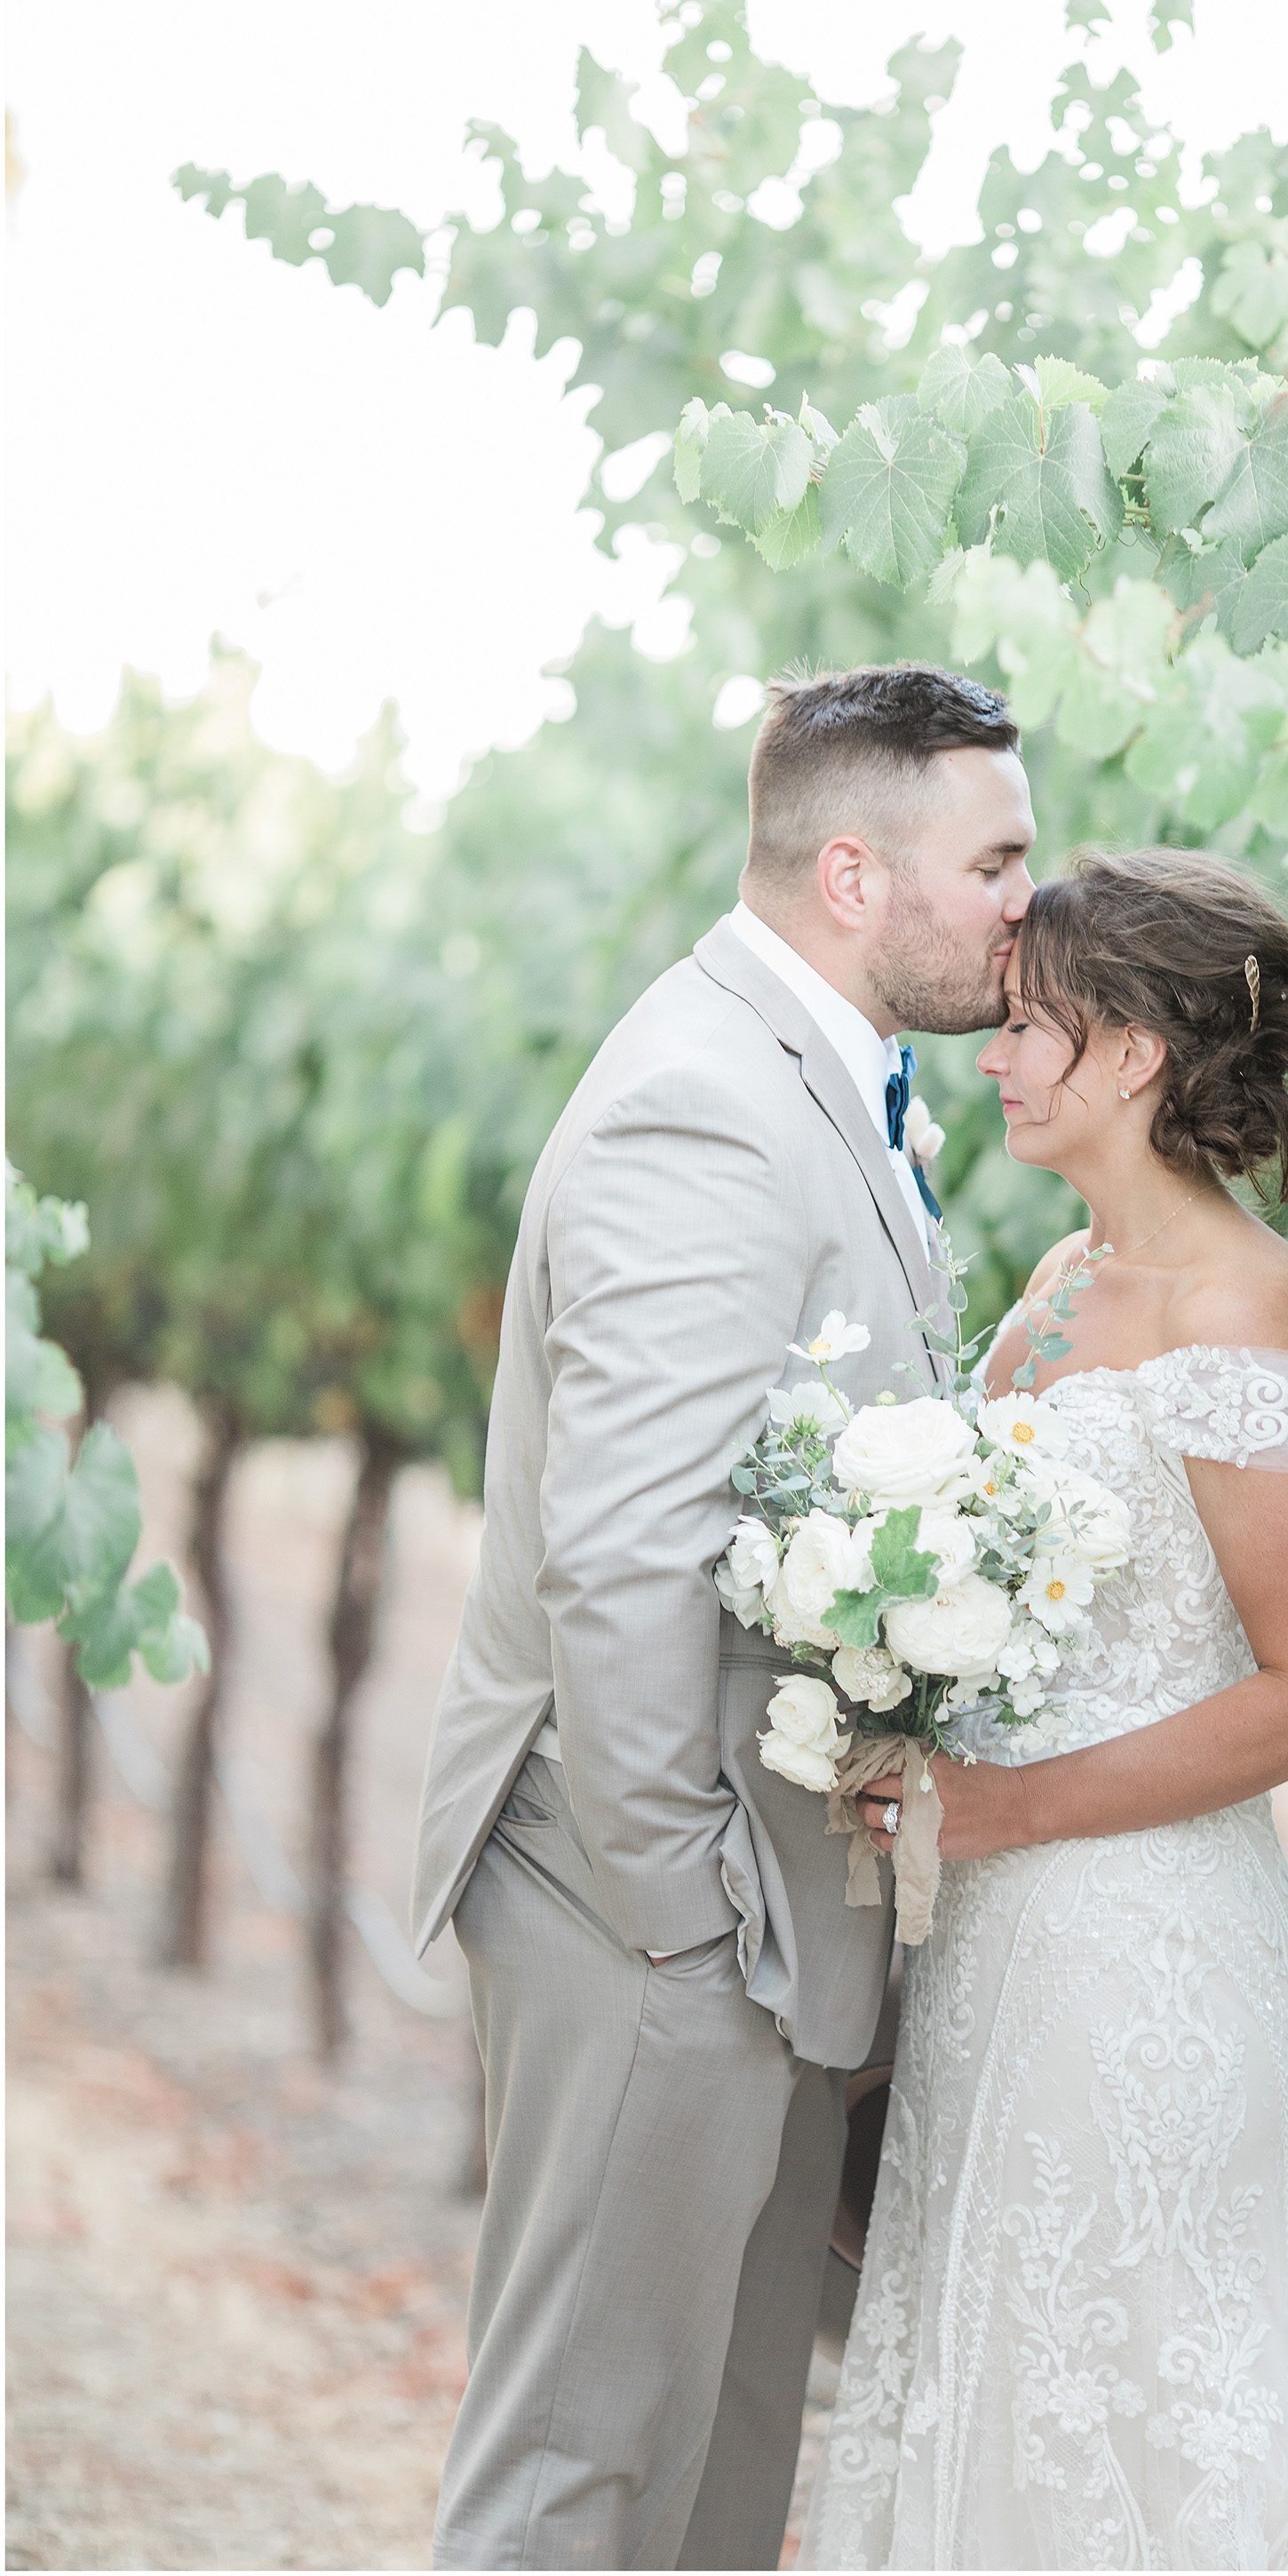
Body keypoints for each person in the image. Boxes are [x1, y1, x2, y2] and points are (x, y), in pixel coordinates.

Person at [414, 665, 1038, 2572]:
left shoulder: (823, 1083)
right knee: (581, 2475)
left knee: (712, 2478)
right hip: (651, 1911)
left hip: (754, 1917)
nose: (1031, 896)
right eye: (996, 857)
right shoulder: (701, 1102)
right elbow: (620, 1559)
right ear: (854, 871)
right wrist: (688, 1924)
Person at [804, 847, 1288, 2572]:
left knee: (1139, 2407)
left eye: (1023, 1028)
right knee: (991, 2388)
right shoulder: (1057, 1282)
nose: (990, 1058)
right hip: (997, 1937)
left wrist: (1002, 1804)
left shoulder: (1241, 1299)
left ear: (1132, 1053)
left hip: (1141, 1941)